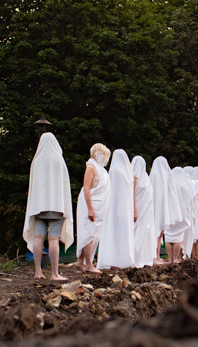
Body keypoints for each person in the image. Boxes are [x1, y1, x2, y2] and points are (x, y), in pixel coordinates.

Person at [21, 119, 73, 281]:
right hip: (56, 206)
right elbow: (64, 186)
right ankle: (55, 273)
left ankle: (38, 272)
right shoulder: (59, 161)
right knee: (53, 239)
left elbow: (33, 186)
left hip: (39, 206)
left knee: (38, 237)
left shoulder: (36, 161)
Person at [74, 143, 111, 273]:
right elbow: (86, 189)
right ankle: (89, 264)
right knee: (88, 234)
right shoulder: (91, 167)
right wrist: (90, 209)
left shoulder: (101, 169)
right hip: (89, 204)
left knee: (94, 234)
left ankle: (80, 261)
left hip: (99, 206)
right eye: (102, 154)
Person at [98, 149, 136, 269]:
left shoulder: (115, 170)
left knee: (117, 233)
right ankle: (118, 260)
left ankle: (119, 260)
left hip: (118, 207)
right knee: (121, 233)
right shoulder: (123, 172)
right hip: (122, 207)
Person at [150, 156, 187, 264]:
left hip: (155, 208)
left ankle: (156, 256)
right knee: (158, 233)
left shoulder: (153, 177)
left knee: (159, 233)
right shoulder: (166, 178)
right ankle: (155, 257)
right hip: (162, 208)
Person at [131, 156, 156, 267]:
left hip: (146, 211)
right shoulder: (133, 178)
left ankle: (144, 258)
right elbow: (131, 193)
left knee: (146, 232)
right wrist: (134, 210)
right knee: (137, 232)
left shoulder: (146, 177)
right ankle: (134, 258)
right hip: (138, 209)